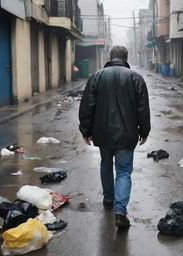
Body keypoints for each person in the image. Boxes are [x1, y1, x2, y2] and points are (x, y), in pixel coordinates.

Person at [79, 46, 150, 228]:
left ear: (110, 57)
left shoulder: (97, 76)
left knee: (105, 164)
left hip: (102, 133)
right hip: (127, 134)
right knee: (124, 171)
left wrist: (85, 130)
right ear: (126, 58)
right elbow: (142, 108)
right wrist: (144, 131)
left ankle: (109, 200)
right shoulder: (135, 78)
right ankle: (120, 211)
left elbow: (87, 106)